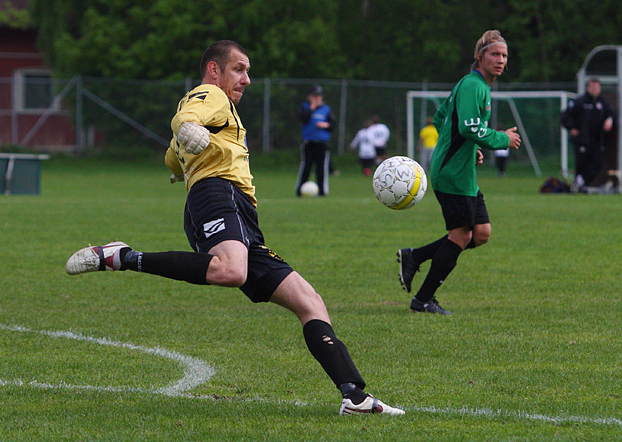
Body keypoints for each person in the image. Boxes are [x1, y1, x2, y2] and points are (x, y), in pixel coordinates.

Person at [66, 41, 403, 416]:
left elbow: (172, 157)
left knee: (309, 302)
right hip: (216, 195)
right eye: (239, 69)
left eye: (247, 71)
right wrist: (188, 129)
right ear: (214, 69)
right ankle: (122, 257)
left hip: (240, 213)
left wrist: (183, 159)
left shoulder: (221, 110)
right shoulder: (210, 93)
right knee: (230, 270)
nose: (246, 79)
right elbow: (183, 121)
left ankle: (354, 396)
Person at [395, 30, 521, 314]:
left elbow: (442, 119)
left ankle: (414, 256)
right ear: (480, 57)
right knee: (462, 236)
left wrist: (466, 146)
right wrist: (502, 139)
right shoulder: (473, 85)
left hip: (462, 173)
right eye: (495, 55)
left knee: (481, 233)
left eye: (504, 56)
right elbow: (467, 127)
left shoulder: (475, 85)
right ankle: (422, 299)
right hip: (453, 174)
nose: (500, 60)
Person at [561, 78, 615, 192]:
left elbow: (611, 113)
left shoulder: (602, 102)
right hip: (582, 140)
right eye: (592, 87)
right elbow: (565, 116)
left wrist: (609, 120)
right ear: (588, 88)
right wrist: (572, 128)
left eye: (597, 87)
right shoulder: (580, 101)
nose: (595, 89)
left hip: (598, 141)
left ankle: (579, 182)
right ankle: (578, 187)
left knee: (598, 162)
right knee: (581, 164)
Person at [295, 85, 335, 196]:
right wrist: (311, 108)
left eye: (318, 96)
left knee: (321, 168)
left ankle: (322, 191)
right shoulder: (305, 107)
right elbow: (303, 118)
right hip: (309, 142)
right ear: (310, 97)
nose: (316, 98)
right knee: (306, 166)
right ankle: (300, 190)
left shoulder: (326, 109)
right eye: (314, 96)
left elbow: (332, 124)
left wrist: (326, 124)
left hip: (322, 143)